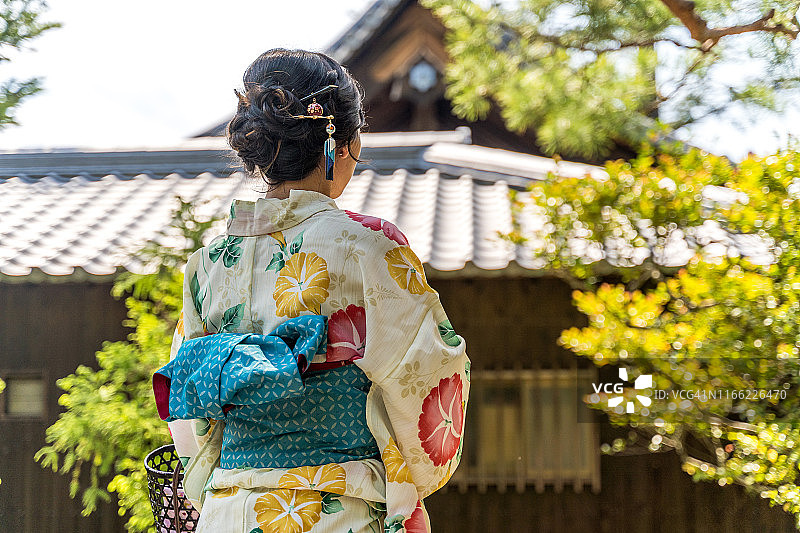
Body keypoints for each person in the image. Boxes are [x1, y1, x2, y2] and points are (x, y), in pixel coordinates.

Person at [155, 48, 470, 533]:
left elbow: (190, 418)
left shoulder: (207, 265)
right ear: (337, 144)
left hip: (228, 514)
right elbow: (426, 379)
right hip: (333, 508)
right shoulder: (370, 248)